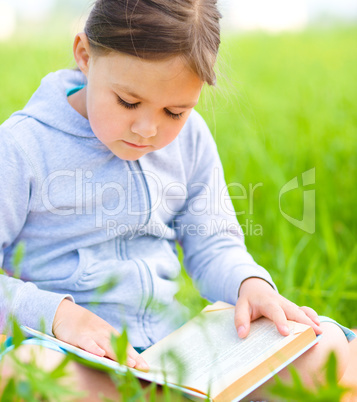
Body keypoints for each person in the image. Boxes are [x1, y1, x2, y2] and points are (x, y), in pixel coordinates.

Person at [0, 0, 355, 400]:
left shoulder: (191, 140)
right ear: (85, 55)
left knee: (325, 349)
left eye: (174, 111)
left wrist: (249, 283)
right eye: (128, 102)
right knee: (27, 376)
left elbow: (213, 243)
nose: (147, 129)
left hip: (173, 350)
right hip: (74, 354)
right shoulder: (21, 147)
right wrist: (60, 316)